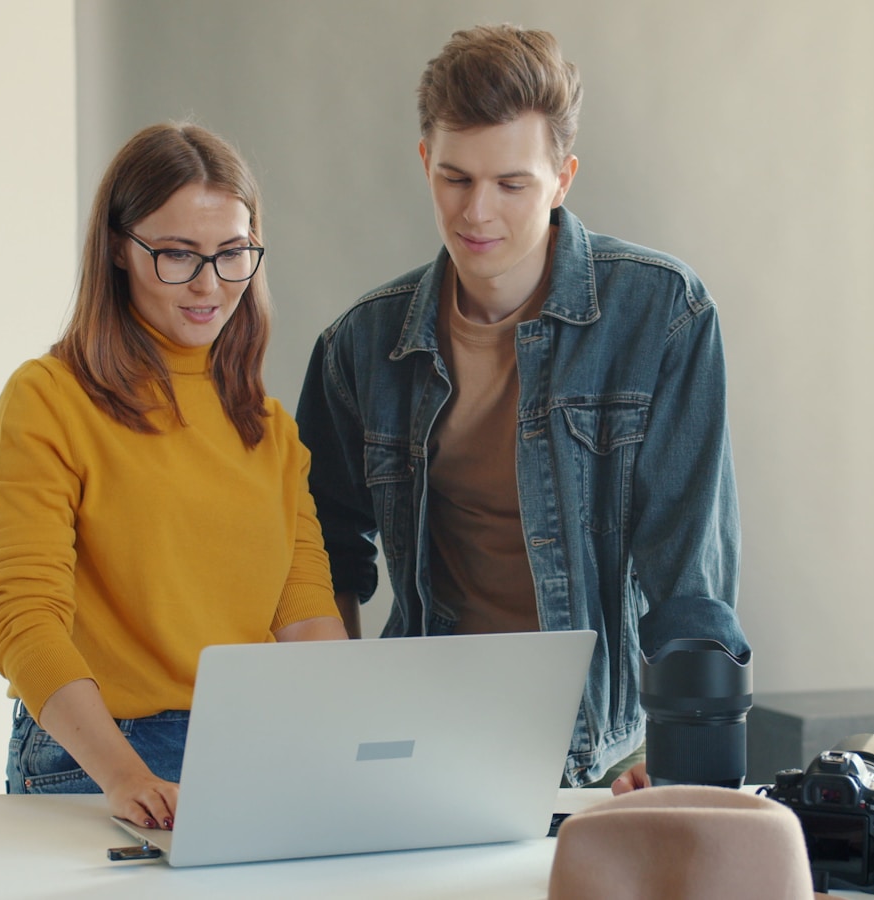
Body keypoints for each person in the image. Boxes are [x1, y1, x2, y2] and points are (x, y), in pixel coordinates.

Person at [296, 25, 748, 793]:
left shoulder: (663, 312)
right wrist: (341, 731)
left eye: (512, 184)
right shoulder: (360, 345)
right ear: (423, 164)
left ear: (563, 177)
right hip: (421, 742)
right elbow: (320, 558)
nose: (477, 213)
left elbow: (689, 578)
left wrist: (677, 765)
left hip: (606, 755)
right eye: (454, 178)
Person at [0, 123, 345, 831]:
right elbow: (23, 618)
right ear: (119, 248)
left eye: (233, 254)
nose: (209, 285)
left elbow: (303, 613)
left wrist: (361, 745)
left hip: (248, 750)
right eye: (177, 255)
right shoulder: (49, 399)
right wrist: (125, 776)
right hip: (96, 757)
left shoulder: (266, 426)